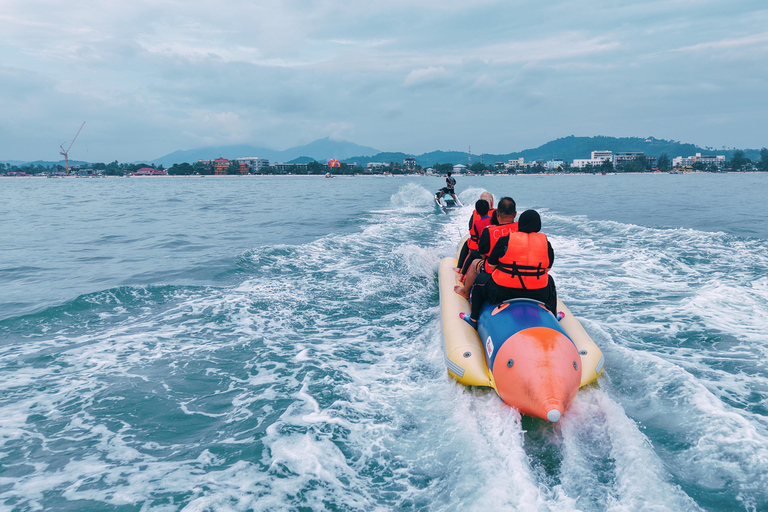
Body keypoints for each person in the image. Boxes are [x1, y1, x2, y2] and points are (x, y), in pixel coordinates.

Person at [460, 209, 558, 329]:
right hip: (538, 294)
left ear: (521, 223)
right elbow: (548, 268)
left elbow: (491, 265)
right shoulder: (545, 243)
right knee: (550, 281)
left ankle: (474, 318)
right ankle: (553, 316)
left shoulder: (506, 239)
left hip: (503, 293)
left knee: (480, 279)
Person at [454, 196, 517, 299]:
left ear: (497, 214)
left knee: (475, 263)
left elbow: (482, 251)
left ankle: (465, 290)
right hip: (517, 271)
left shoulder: (488, 231)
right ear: (515, 214)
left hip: (493, 271)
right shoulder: (520, 230)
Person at [457, 191, 494, 269]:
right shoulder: (496, 214)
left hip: (476, 246)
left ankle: (459, 267)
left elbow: (471, 228)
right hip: (491, 247)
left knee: (466, 243)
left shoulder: (475, 213)